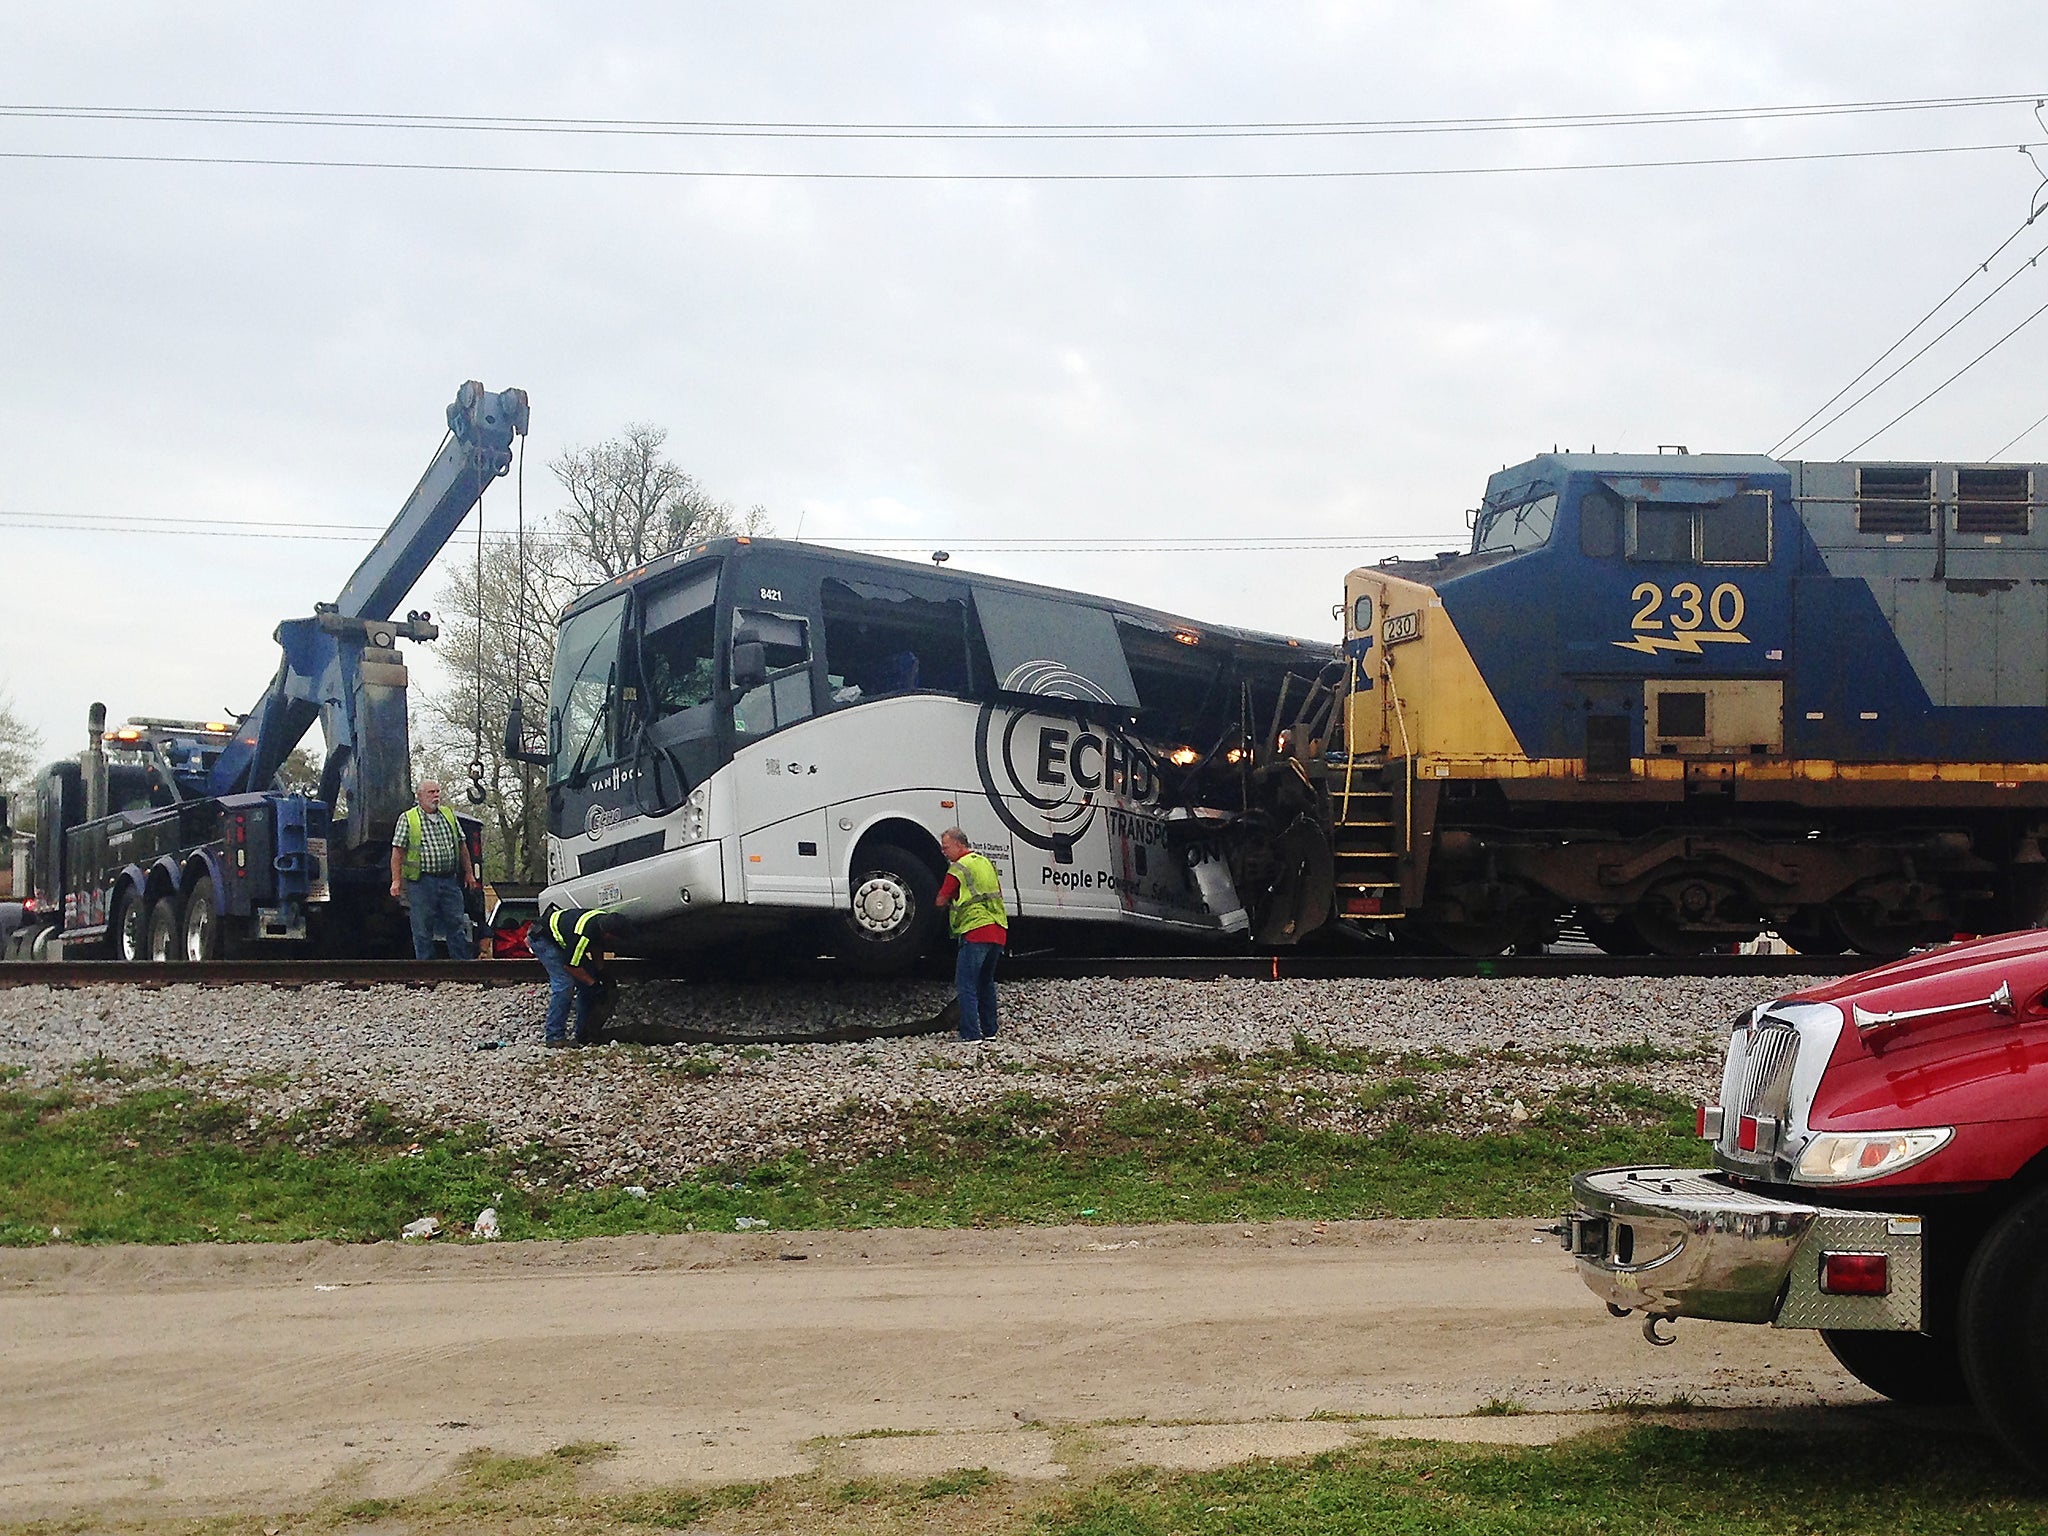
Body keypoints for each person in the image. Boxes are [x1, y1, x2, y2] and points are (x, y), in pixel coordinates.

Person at [388, 780, 478, 960]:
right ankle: (426, 970)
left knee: (456, 923)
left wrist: (469, 873)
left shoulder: (448, 815)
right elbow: (397, 852)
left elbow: (462, 846)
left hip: (449, 881)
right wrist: (396, 880)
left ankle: (462, 968)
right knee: (423, 928)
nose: (435, 795)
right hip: (421, 882)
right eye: (430, 792)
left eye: (437, 791)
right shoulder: (408, 818)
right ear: (420, 796)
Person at [933, 828, 1007, 1042]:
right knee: (986, 982)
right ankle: (990, 1031)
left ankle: (970, 1034)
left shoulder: (958, 868)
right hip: (998, 929)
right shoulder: (985, 863)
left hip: (975, 930)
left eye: (946, 847)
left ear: (959, 844)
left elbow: (941, 899)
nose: (943, 851)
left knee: (966, 983)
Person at [530, 903, 618, 1048]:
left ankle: (583, 1034)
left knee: (587, 983)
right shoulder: (583, 935)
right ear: (608, 934)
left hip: (562, 941)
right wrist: (594, 984)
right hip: (543, 939)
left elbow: (597, 948)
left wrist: (601, 973)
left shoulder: (601, 925)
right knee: (564, 985)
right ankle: (554, 1036)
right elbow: (570, 965)